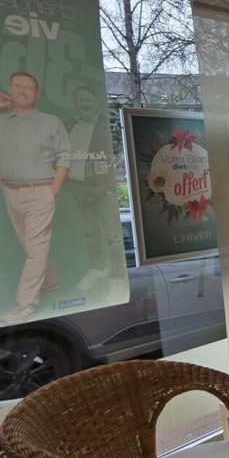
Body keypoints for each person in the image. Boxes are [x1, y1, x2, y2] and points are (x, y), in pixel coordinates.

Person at [0, 72, 69, 325]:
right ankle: (50, 281)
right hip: (11, 191)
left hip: (40, 190)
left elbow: (64, 157)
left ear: (37, 94)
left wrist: (52, 190)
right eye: (18, 86)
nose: (23, 91)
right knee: (28, 244)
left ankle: (25, 304)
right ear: (10, 89)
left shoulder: (50, 122)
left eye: (29, 87)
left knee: (36, 247)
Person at [63, 86, 127, 303]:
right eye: (81, 100)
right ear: (76, 103)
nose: (85, 104)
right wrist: (70, 184)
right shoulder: (68, 126)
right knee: (90, 232)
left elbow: (117, 157)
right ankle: (97, 268)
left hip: (103, 188)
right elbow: (62, 155)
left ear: (96, 102)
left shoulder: (108, 125)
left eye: (89, 100)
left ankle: (118, 277)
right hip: (79, 188)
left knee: (113, 237)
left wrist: (108, 186)